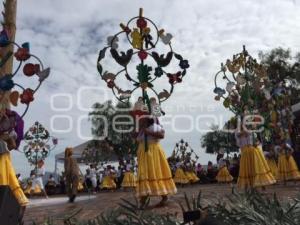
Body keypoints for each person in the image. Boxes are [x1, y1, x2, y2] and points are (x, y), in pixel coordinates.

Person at [136, 117, 177, 208]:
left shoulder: (155, 127)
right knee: (145, 175)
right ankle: (143, 201)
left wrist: (148, 132)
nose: (140, 122)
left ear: (147, 120)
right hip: (145, 155)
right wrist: (140, 130)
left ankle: (163, 197)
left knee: (154, 173)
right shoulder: (142, 130)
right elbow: (137, 138)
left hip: (153, 154)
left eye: (141, 120)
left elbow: (162, 135)